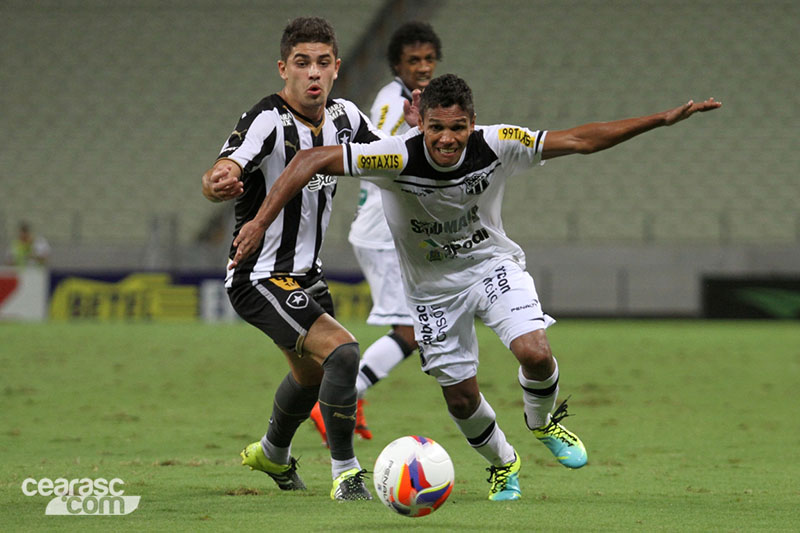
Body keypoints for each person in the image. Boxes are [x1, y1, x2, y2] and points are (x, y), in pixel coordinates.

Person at [229, 74, 722, 501]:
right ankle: (504, 463)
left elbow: (579, 140)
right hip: (432, 292)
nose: (447, 139)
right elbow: (309, 159)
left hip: (492, 266)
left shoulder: (499, 141)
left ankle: (542, 421)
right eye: (437, 127)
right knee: (461, 400)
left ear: (473, 122)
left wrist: (660, 119)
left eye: (457, 127)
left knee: (534, 351)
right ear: (420, 123)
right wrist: (258, 223)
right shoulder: (392, 156)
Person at [200, 17, 385, 501]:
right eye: (302, 64)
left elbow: (389, 160)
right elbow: (226, 165)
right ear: (284, 69)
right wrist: (217, 179)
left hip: (305, 277)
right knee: (343, 352)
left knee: (312, 374)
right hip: (259, 274)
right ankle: (346, 474)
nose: (313, 74)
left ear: (337, 68)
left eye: (323, 63)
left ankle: (272, 453)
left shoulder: (346, 118)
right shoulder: (269, 118)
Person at [309, 21, 442, 445]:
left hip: (394, 230)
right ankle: (336, 400)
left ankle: (346, 398)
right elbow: (378, 148)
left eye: (428, 59)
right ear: (397, 66)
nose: (422, 67)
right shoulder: (390, 101)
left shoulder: (419, 100)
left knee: (416, 329)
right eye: (413, 60)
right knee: (414, 332)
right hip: (382, 232)